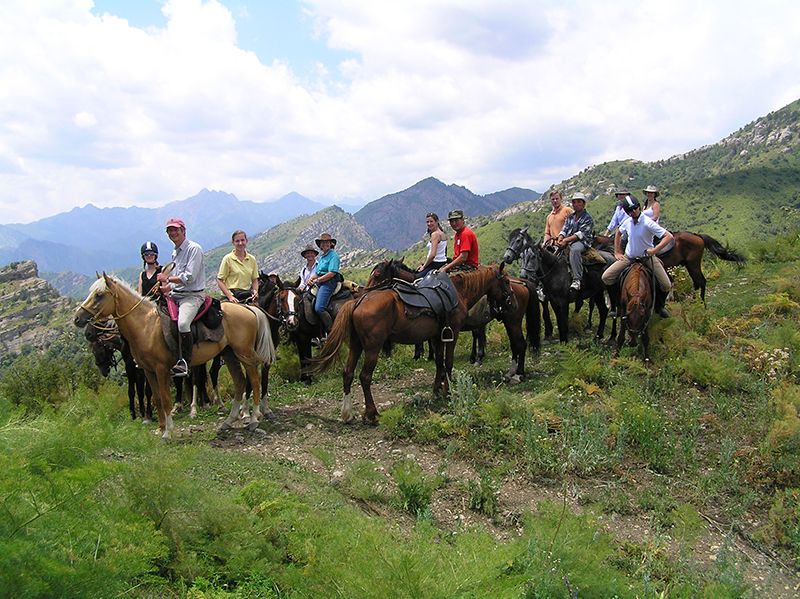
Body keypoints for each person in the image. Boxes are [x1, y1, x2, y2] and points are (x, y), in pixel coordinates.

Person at [601, 195, 673, 318]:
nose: (634, 211)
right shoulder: (627, 222)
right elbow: (618, 233)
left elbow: (669, 237)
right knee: (606, 277)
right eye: (631, 210)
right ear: (627, 212)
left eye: (636, 208)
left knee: (666, 284)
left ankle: (659, 307)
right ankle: (617, 305)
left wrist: (654, 250)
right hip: (629, 257)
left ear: (639, 207)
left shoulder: (647, 222)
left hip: (647, 258)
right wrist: (617, 252)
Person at [157, 218, 205, 377]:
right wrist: (168, 288)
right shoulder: (175, 251)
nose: (173, 233)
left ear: (183, 230)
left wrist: (167, 279)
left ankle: (185, 362)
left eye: (176, 229)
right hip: (176, 294)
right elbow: (178, 279)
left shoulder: (194, 249)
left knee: (183, 323)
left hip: (192, 296)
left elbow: (190, 278)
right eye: (170, 230)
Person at [555, 192, 594, 291]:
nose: (576, 204)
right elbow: (565, 229)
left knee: (574, 250)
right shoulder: (570, 217)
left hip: (583, 242)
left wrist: (565, 240)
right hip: (568, 240)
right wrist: (560, 238)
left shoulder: (588, 218)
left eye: (578, 202)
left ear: (583, 204)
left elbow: (580, 234)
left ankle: (577, 279)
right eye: (574, 202)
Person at [307, 232, 340, 339]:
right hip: (321, 281)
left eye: (327, 242)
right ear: (320, 245)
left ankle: (331, 330)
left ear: (331, 244)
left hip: (329, 282)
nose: (325, 244)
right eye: (323, 242)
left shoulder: (333, 256)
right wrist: (310, 279)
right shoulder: (322, 257)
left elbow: (331, 273)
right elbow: (317, 272)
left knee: (319, 308)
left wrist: (317, 280)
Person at [217, 230, 259, 304]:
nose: (240, 243)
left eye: (242, 240)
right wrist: (230, 296)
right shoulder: (228, 259)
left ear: (246, 241)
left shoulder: (252, 259)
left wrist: (255, 290)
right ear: (233, 243)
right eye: (237, 241)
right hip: (231, 297)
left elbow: (254, 279)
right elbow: (220, 280)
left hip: (246, 296)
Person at [439, 209, 478, 274]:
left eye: (456, 220)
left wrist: (446, 268)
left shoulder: (465, 234)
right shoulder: (457, 235)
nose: (454, 224)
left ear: (463, 220)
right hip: (460, 266)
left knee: (450, 279)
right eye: (452, 221)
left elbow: (463, 257)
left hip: (468, 267)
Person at [417, 212, 448, 277]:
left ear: (437, 221)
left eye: (431, 221)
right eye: (427, 222)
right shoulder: (442, 233)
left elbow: (433, 254)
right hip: (442, 262)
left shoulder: (435, 235)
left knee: (416, 279)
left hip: (435, 263)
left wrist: (424, 267)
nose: (429, 224)